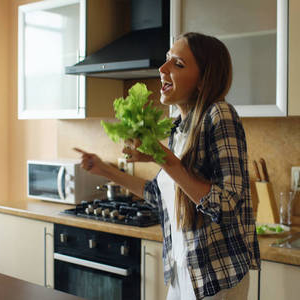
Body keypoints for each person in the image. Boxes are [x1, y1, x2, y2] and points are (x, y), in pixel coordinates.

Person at [74, 32, 260, 300]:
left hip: (215, 277)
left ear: (202, 80)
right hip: (182, 271)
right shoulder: (179, 129)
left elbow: (228, 204)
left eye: (178, 64)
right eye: (166, 60)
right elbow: (159, 195)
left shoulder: (220, 114)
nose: (162, 70)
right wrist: (104, 169)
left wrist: (162, 158)